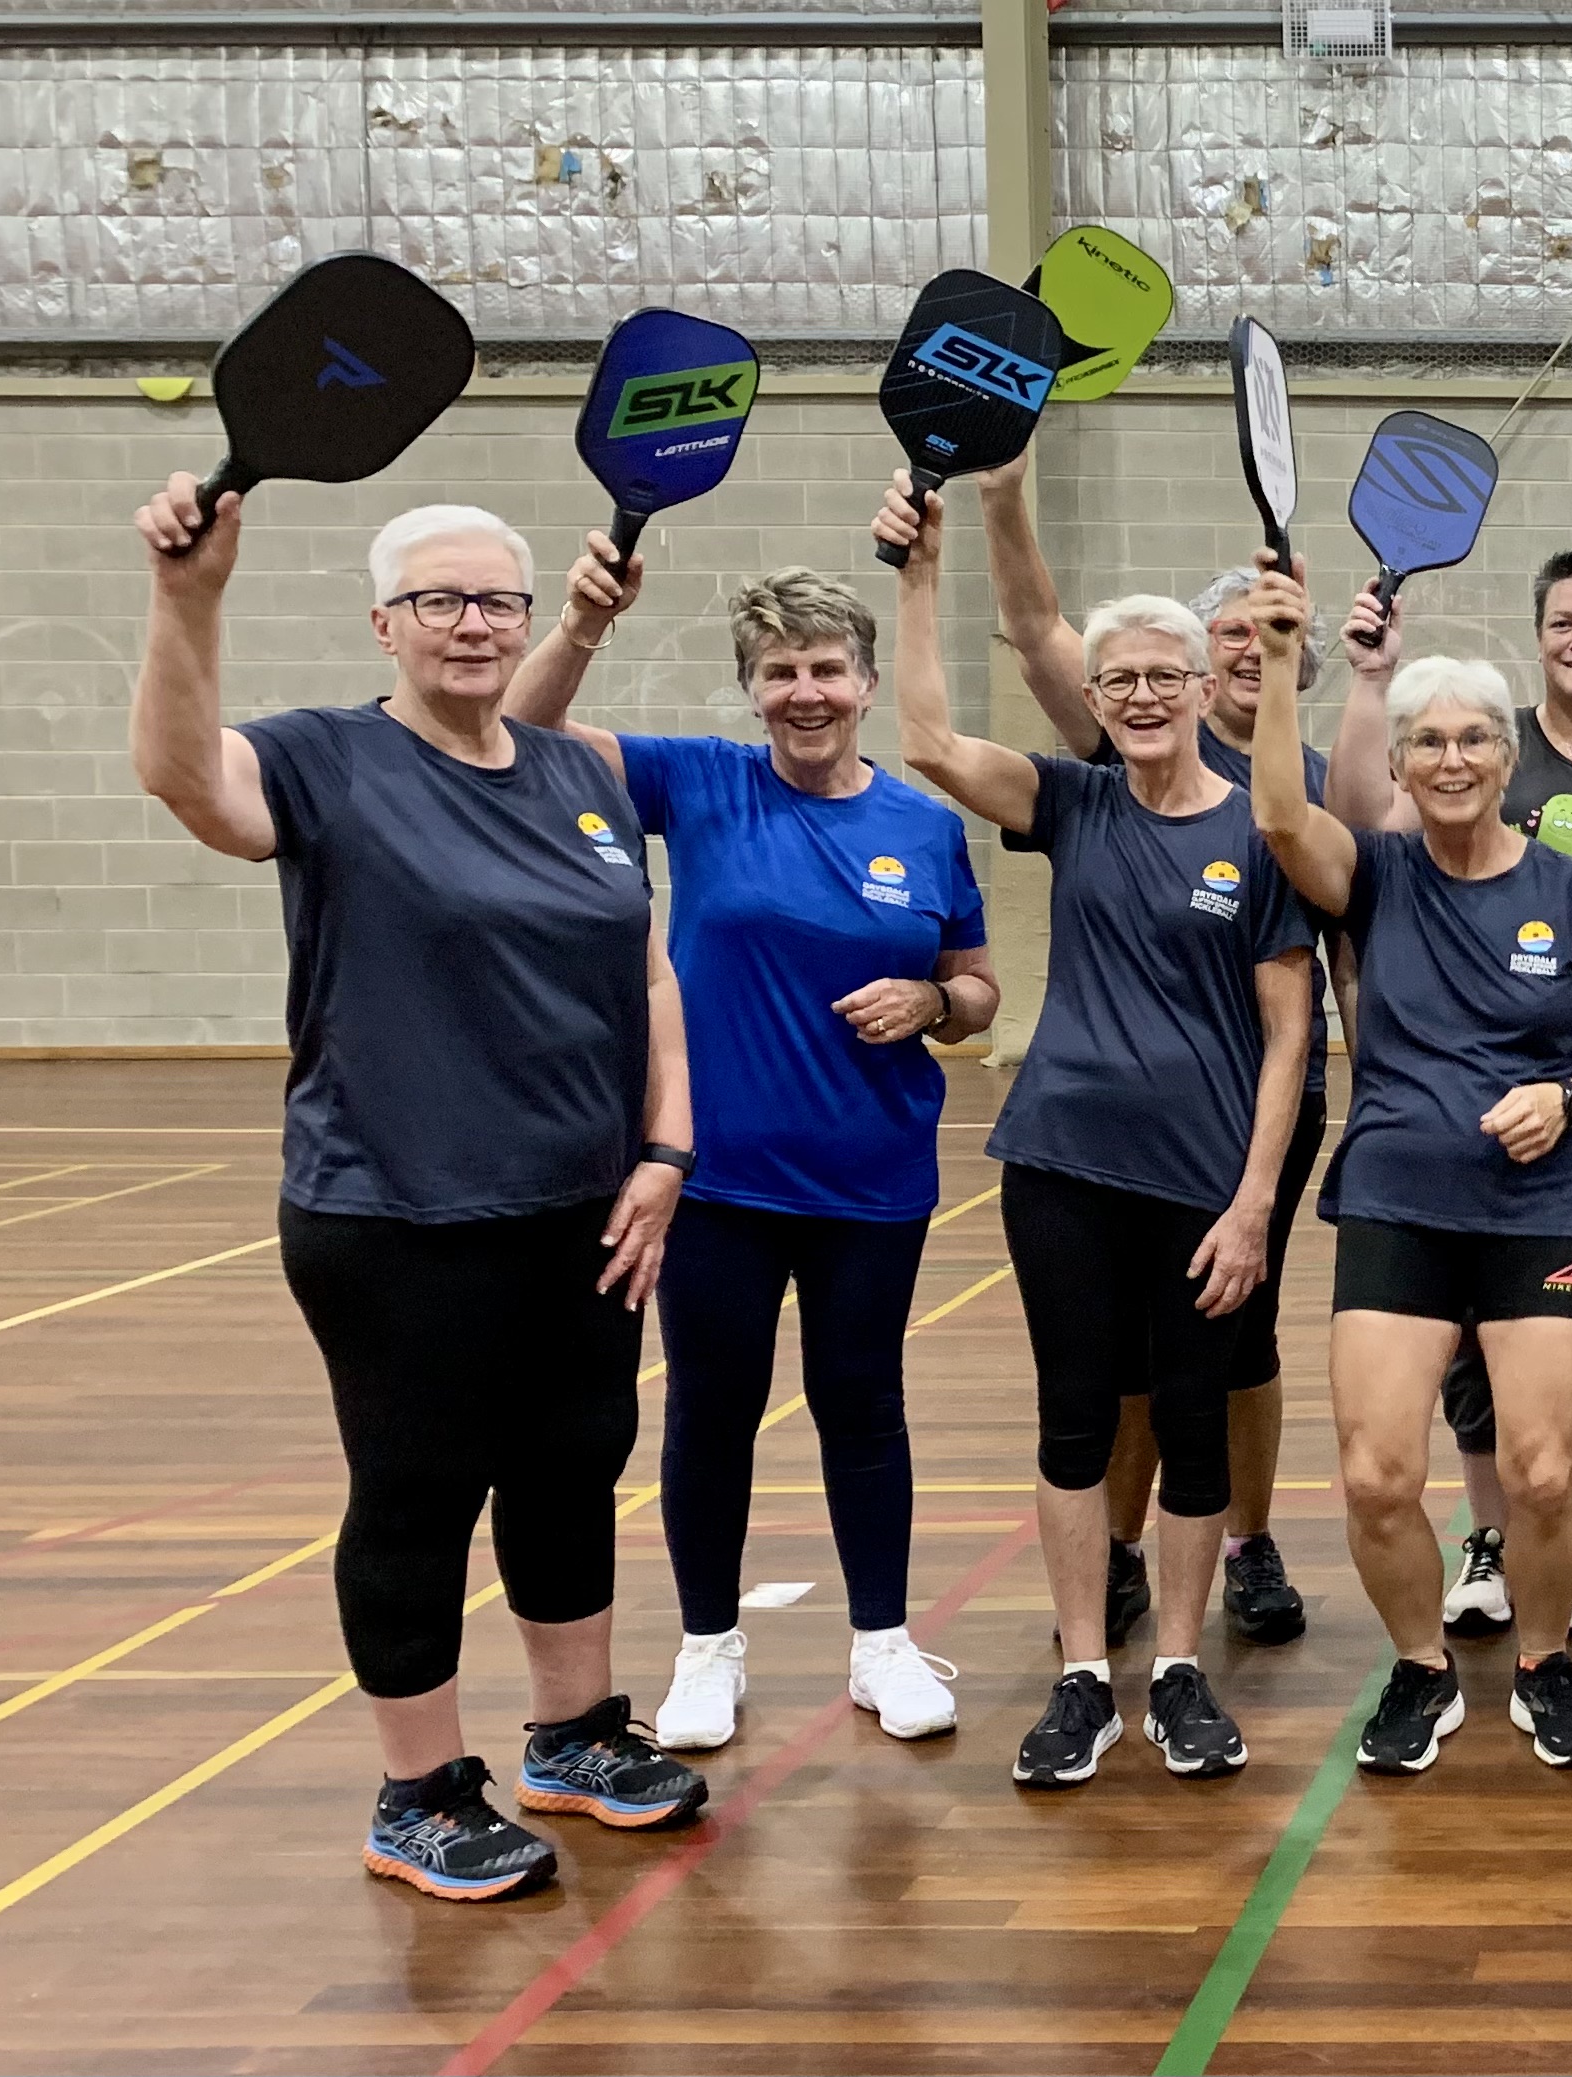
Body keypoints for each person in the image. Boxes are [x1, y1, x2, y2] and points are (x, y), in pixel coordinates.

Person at [129, 484, 704, 1902]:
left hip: (583, 1209)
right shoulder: (323, 760)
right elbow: (184, 783)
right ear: (382, 621)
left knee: (573, 1471)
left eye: (495, 599)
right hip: (393, 1212)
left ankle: (572, 1737)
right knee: (417, 1496)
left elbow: (645, 975)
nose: (471, 623)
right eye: (439, 599)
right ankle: (419, 1793)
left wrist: (665, 1153)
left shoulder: (580, 774)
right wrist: (188, 598)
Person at [500, 545, 996, 1757]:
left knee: (861, 1405)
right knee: (710, 1413)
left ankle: (882, 1643)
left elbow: (978, 985)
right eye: (780, 672)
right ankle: (707, 1649)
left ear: (867, 681)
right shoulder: (700, 784)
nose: (806, 692)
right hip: (713, 1176)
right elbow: (519, 728)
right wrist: (579, 624)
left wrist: (934, 1009)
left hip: (872, 1180)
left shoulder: (925, 828)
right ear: (752, 688)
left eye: (827, 667)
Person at [878, 481, 1315, 1790]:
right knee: (1075, 1423)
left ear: (1199, 685)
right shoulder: (1073, 804)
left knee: (1190, 1423)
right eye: (1115, 677)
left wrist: (1249, 1204)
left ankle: (1176, 1670)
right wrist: (920, 572)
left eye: (1158, 675)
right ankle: (1083, 1674)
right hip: (1062, 1166)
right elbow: (929, 742)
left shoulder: (1264, 826)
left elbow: (1290, 1036)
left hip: (1201, 1184)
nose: (1135, 694)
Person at [1254, 557, 1572, 1775]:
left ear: (1504, 757)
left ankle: (1544, 1660)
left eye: (1473, 739)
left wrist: (1571, 1096)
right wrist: (1284, 659)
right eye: (1425, 741)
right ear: (1404, 763)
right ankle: (1422, 1666)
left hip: (1544, 1204)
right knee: (1378, 1474)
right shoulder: (1373, 878)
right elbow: (1280, 815)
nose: (1447, 759)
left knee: (1542, 1474)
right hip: (1397, 1200)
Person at [979, 452, 1321, 1651]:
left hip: (1255, 1105)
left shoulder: (1298, 789)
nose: (1235, 648)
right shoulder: (1115, 755)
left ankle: (1247, 1539)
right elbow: (1033, 632)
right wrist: (1005, 494)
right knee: (1107, 1370)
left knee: (1236, 1352)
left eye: (1257, 632)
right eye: (1218, 631)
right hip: (1102, 1128)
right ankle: (1114, 1557)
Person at [1331, 539, 1572, 1649]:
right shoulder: (1428, 816)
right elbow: (1331, 822)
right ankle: (1485, 1552)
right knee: (1462, 1378)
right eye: (1562, 622)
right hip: (1430, 1159)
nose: (1454, 755)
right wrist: (1360, 675)